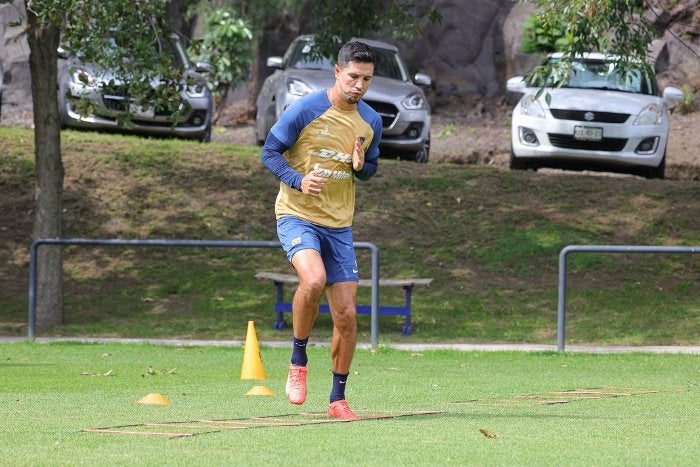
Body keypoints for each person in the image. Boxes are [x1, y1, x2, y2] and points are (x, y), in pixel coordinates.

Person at [260, 40, 382, 420]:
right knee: (313, 280)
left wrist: (362, 167)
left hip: (339, 226)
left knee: (346, 314)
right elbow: (268, 152)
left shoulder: (371, 121)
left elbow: (371, 169)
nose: (359, 85)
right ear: (336, 71)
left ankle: (337, 400)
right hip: (297, 214)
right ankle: (298, 360)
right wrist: (298, 181)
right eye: (353, 77)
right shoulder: (306, 109)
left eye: (366, 79)